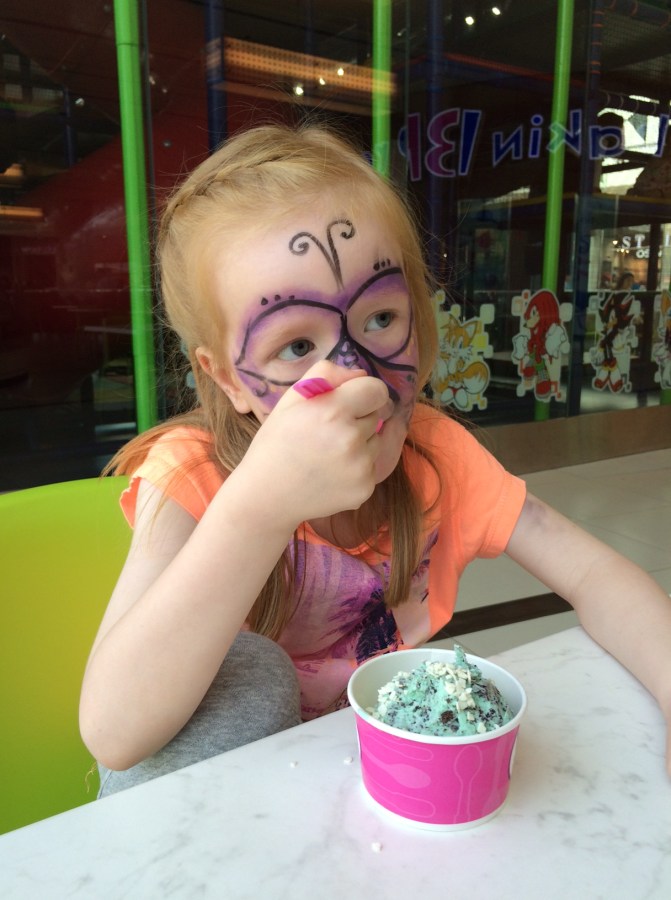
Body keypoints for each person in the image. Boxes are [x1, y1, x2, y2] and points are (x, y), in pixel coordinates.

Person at [79, 123, 671, 796]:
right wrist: (258, 509)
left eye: (381, 319)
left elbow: (593, 573)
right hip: (219, 807)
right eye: (296, 347)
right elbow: (115, 735)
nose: (356, 376)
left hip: (358, 787)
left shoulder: (435, 457)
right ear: (228, 380)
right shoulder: (192, 475)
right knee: (254, 676)